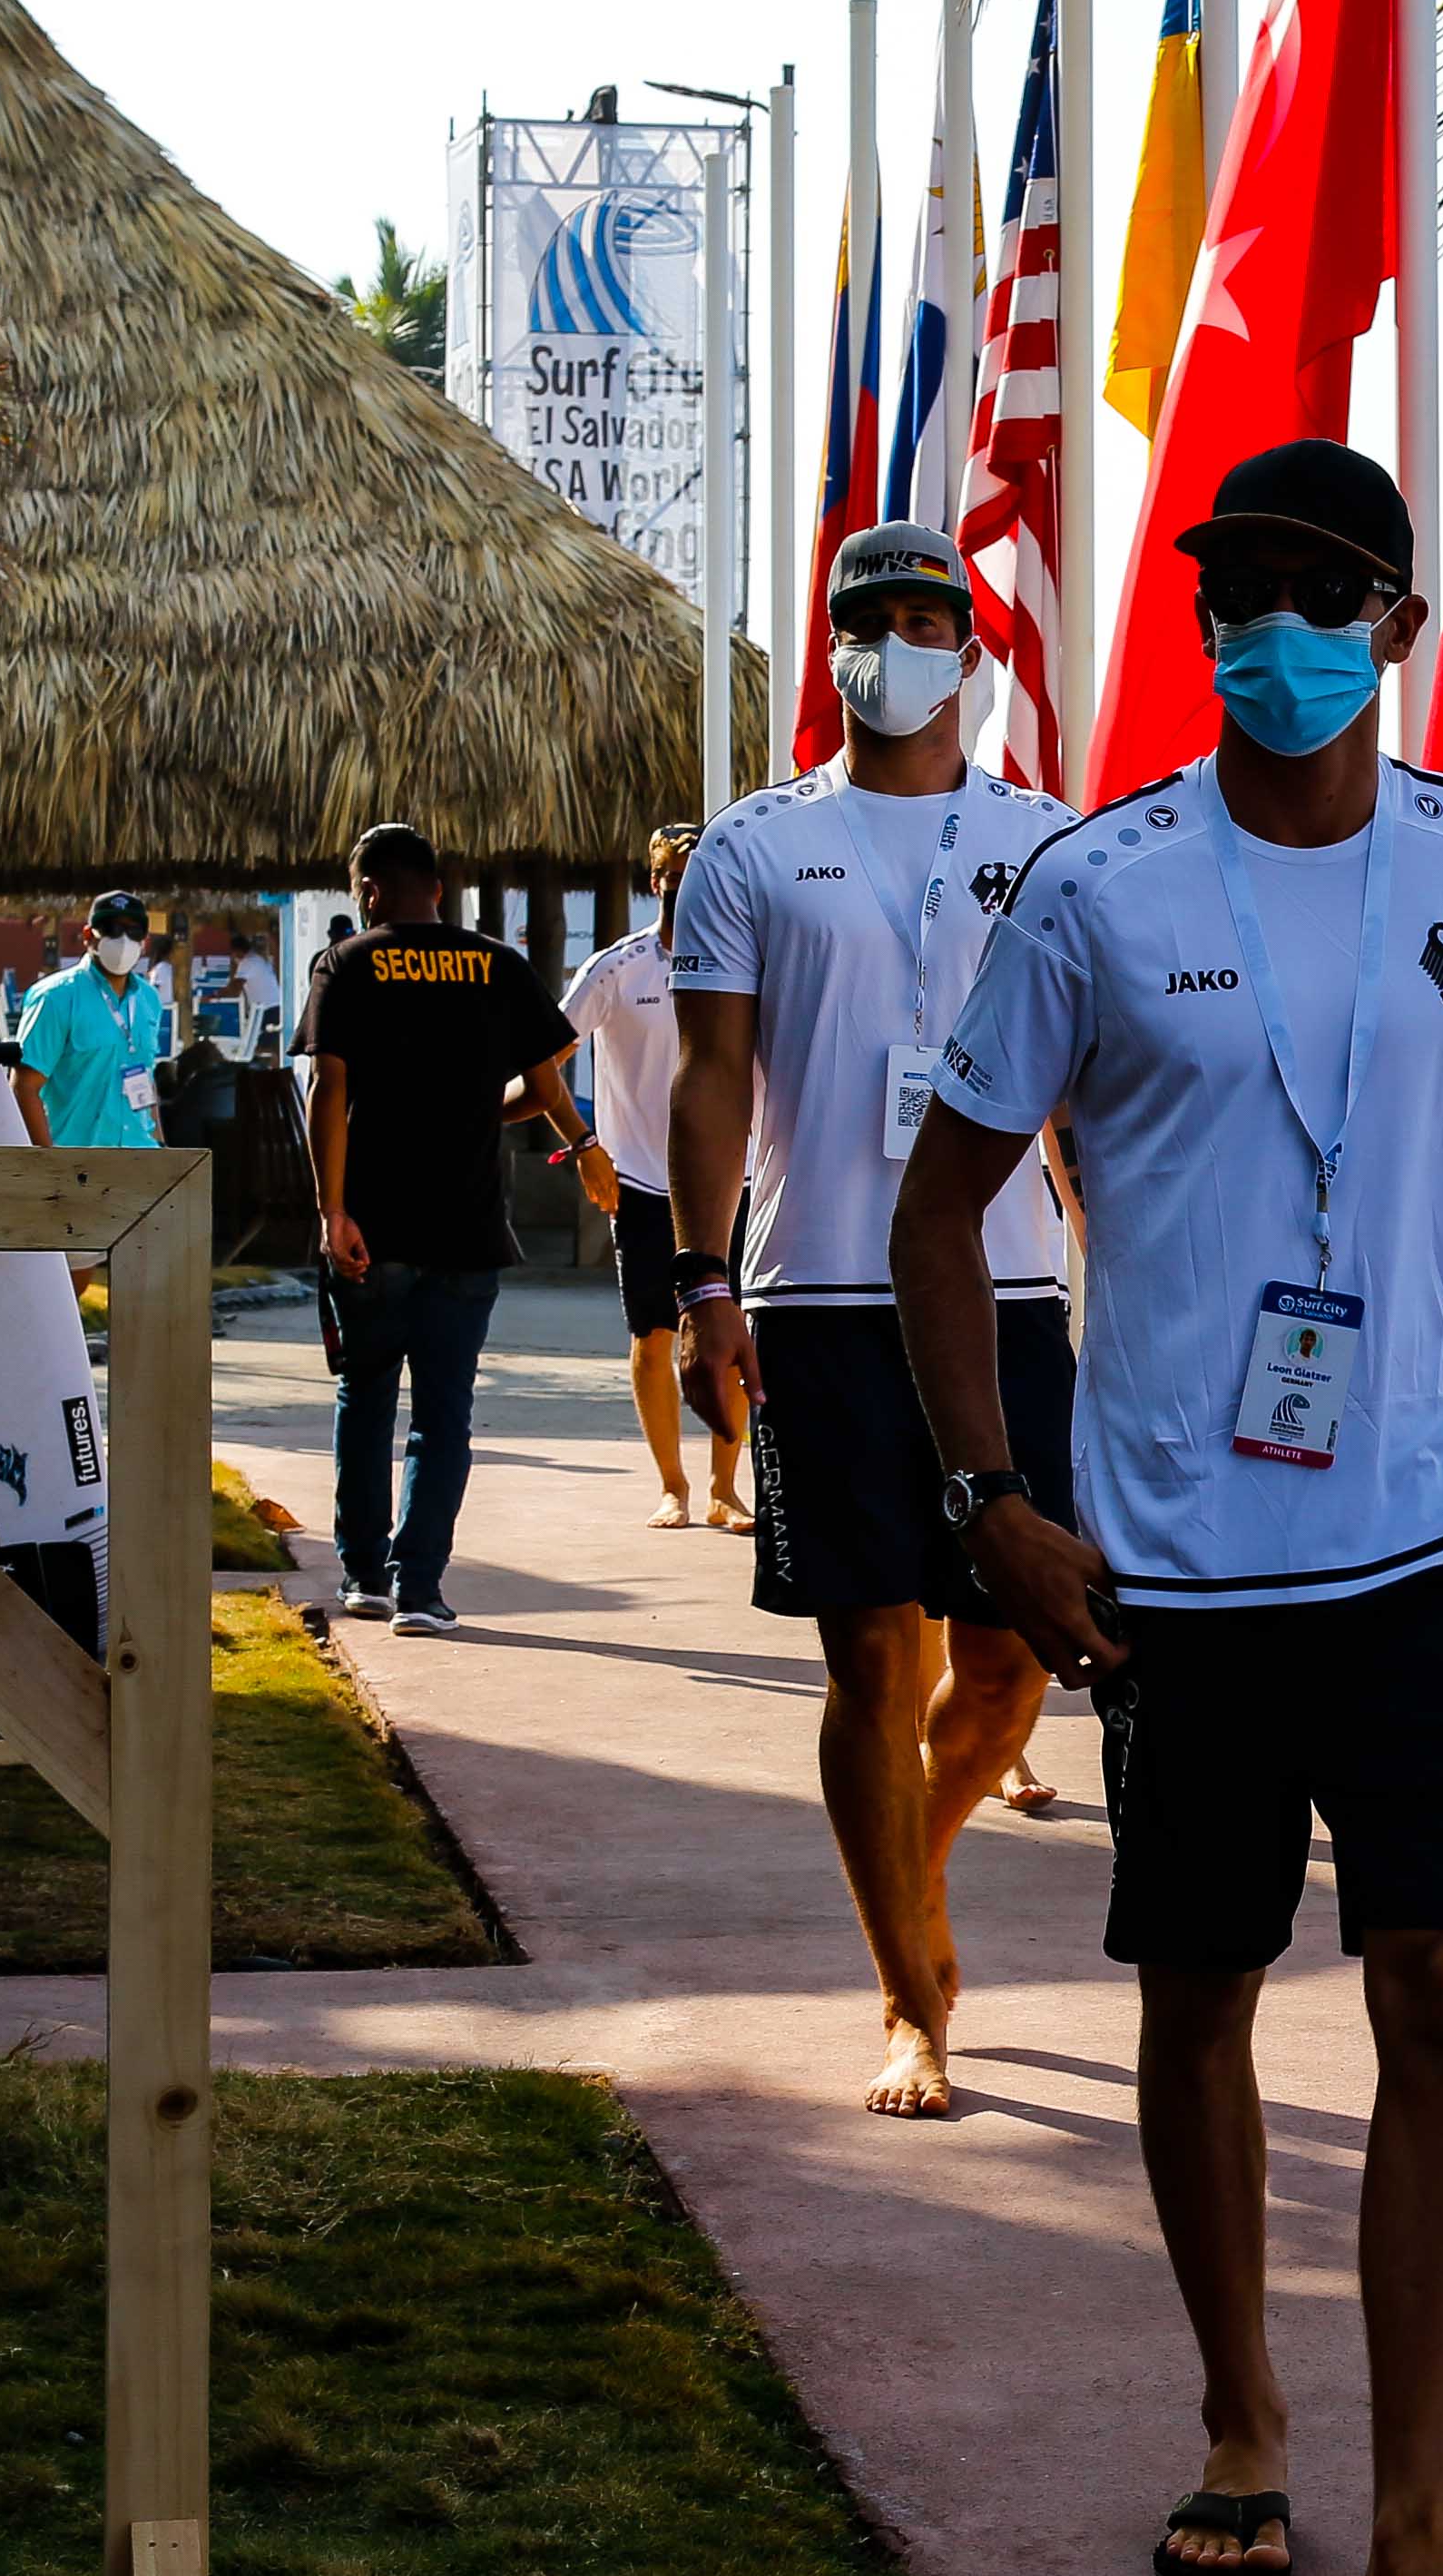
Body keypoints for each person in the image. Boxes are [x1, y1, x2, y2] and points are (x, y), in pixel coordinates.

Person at [891, 438, 1443, 2576]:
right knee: (1201, 1987)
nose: (1271, 630)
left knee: (1437, 1986)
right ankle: (1241, 2413)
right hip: (1181, 1556)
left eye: (1323, 593)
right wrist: (988, 1495)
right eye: (1238, 591)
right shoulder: (1094, 886)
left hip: (1433, 1529)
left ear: (1397, 627)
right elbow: (944, 1205)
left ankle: (1418, 2533)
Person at [668, 521, 1082, 2120]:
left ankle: (911, 1858)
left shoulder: (1050, 845)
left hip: (1010, 1288)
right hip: (820, 1289)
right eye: (869, 618)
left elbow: (1094, 1099)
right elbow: (712, 1079)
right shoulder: (753, 848)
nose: (897, 644)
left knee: (1009, 1662)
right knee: (865, 1655)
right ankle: (912, 1995)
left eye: (928, 619)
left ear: (969, 647)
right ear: (828, 640)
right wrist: (701, 1283)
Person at [297, 823, 605, 1636]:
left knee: (364, 1397)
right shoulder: (498, 964)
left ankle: (364, 1575)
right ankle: (421, 1589)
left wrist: (332, 1209)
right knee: (443, 1413)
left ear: (367, 891)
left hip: (372, 1226)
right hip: (466, 1229)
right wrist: (577, 1142)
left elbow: (330, 1087)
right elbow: (543, 1085)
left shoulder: (347, 962)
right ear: (437, 888)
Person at [562, 822, 747, 1534]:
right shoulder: (618, 968)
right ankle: (672, 1484)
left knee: (730, 1329)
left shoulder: (744, 960)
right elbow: (544, 1054)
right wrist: (585, 1145)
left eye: (701, 877)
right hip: (641, 1178)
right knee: (653, 1337)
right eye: (675, 878)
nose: (686, 889)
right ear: (655, 883)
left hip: (729, 1176)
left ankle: (724, 1487)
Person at [14, 889, 174, 1149]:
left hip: (142, 1156)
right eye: (111, 929)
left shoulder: (149, 999)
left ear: (144, 942)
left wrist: (160, 1145)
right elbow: (24, 1086)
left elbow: (144, 1077)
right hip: (78, 1160)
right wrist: (48, 1163)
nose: (123, 940)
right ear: (89, 936)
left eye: (133, 932)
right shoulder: (55, 997)